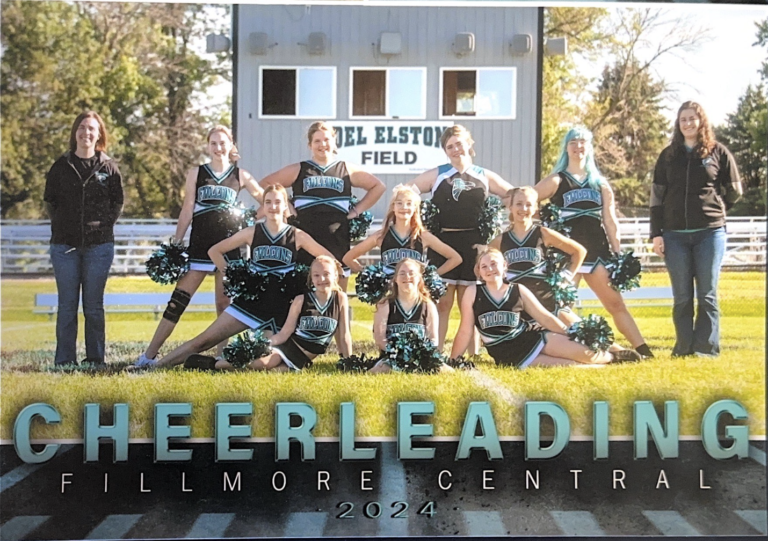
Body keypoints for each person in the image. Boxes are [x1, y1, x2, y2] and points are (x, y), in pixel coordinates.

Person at [134, 184, 333, 369]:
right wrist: (232, 275)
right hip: (251, 302)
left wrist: (313, 277)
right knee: (203, 340)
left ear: (285, 207)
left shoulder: (297, 235)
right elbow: (215, 251)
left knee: (262, 361)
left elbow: (328, 258)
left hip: (280, 308)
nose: (273, 207)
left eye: (278, 202)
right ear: (263, 206)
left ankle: (211, 364)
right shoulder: (252, 232)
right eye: (268, 202)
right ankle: (153, 367)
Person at [136, 126, 263, 366]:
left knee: (224, 304)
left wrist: (249, 220)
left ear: (231, 144)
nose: (218, 148)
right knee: (178, 300)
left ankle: (220, 356)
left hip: (228, 247)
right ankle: (148, 355)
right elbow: (187, 209)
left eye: (222, 143)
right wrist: (177, 241)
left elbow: (265, 199)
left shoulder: (241, 175)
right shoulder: (197, 173)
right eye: (213, 143)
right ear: (207, 146)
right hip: (200, 245)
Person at [535, 126, 653, 358]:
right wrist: (544, 226)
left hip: (597, 252)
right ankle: (602, 346)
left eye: (583, 142)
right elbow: (527, 200)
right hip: (567, 255)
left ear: (589, 148)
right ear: (566, 148)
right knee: (559, 307)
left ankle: (643, 350)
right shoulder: (557, 180)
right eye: (573, 142)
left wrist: (618, 254)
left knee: (615, 304)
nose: (578, 146)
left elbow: (610, 221)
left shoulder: (600, 184)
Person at [408, 124, 513, 351]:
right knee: (443, 302)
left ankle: (471, 353)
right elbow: (407, 192)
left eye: (459, 144)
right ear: (445, 151)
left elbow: (513, 195)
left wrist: (507, 220)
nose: (456, 149)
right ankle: (437, 351)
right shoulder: (438, 174)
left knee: (470, 302)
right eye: (450, 147)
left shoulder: (484, 175)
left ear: (469, 144)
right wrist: (417, 222)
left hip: (475, 247)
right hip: (443, 245)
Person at [651, 101, 742, 357]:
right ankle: (683, 348)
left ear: (701, 121)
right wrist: (656, 233)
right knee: (682, 297)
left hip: (710, 233)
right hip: (674, 235)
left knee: (707, 294)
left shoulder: (718, 152)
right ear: (678, 124)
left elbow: (735, 190)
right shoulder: (668, 155)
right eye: (683, 119)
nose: (688, 123)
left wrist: (716, 208)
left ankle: (706, 348)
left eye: (692, 118)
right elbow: (656, 198)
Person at [450, 250, 639, 367]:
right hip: (508, 353)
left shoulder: (518, 290)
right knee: (570, 366)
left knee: (585, 354)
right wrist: (454, 360)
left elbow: (545, 318)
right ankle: (609, 362)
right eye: (484, 266)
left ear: (505, 266)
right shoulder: (473, 292)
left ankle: (613, 357)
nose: (490, 269)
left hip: (533, 337)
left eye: (494, 264)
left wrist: (569, 333)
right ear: (480, 272)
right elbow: (466, 329)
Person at [258, 121, 386, 290]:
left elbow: (378, 187)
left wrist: (356, 210)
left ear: (334, 142)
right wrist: (287, 207)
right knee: (302, 293)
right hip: (304, 237)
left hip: (337, 237)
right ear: (310, 145)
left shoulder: (345, 169)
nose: (322, 145)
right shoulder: (300, 169)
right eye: (317, 141)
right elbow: (264, 184)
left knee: (337, 292)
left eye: (326, 139)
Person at [44, 111, 124, 367]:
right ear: (75, 132)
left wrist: (101, 228)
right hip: (64, 247)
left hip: (99, 247)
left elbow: (117, 203)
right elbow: (51, 203)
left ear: (99, 134)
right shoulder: (61, 166)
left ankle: (95, 360)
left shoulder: (109, 168)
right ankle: (65, 360)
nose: (86, 133)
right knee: (67, 307)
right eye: (82, 127)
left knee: (93, 307)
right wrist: (64, 228)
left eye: (91, 128)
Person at [215, 255, 352, 372]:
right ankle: (211, 364)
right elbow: (285, 333)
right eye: (316, 275)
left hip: (302, 358)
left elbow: (344, 334)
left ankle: (217, 364)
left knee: (274, 372)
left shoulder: (340, 299)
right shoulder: (301, 299)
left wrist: (349, 362)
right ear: (311, 277)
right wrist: (262, 344)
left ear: (335, 275)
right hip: (288, 347)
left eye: (326, 274)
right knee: (263, 364)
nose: (321, 279)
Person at [490, 186, 586, 326]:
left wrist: (566, 277)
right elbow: (483, 266)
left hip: (546, 301)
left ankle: (619, 349)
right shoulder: (499, 241)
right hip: (517, 305)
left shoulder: (543, 234)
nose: (523, 209)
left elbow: (579, 252)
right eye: (519, 204)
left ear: (535, 208)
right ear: (510, 207)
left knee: (581, 332)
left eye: (528, 205)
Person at [342, 183, 462, 277]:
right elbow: (348, 258)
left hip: (413, 293)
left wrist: (430, 276)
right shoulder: (381, 236)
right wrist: (369, 275)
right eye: (399, 203)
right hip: (387, 293)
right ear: (393, 207)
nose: (404, 207)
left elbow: (455, 258)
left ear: (415, 208)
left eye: (409, 203)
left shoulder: (423, 236)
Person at [369, 258, 448, 374]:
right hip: (391, 358)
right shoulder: (385, 304)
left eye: (412, 273)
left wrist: (420, 354)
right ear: (395, 279)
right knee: (382, 369)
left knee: (443, 370)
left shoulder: (428, 305)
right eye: (402, 273)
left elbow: (433, 339)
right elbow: (380, 338)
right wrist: (397, 354)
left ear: (419, 279)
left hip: (420, 358)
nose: (407, 277)